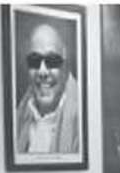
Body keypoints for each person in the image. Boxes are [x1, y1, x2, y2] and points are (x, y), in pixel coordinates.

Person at [14, 21, 82, 155]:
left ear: (65, 64)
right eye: (34, 60)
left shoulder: (84, 118)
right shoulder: (19, 116)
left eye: (52, 61)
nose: (42, 71)